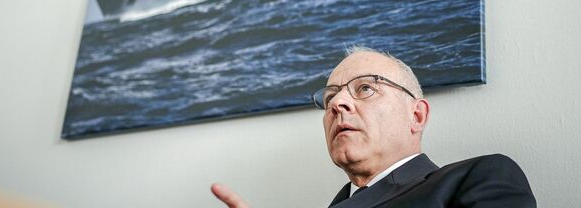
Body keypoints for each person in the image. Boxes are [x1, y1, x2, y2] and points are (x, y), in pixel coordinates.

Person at [212, 46, 536, 207]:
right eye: (330, 98)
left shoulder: (481, 177)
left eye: (366, 88)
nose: (338, 104)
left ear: (417, 116)